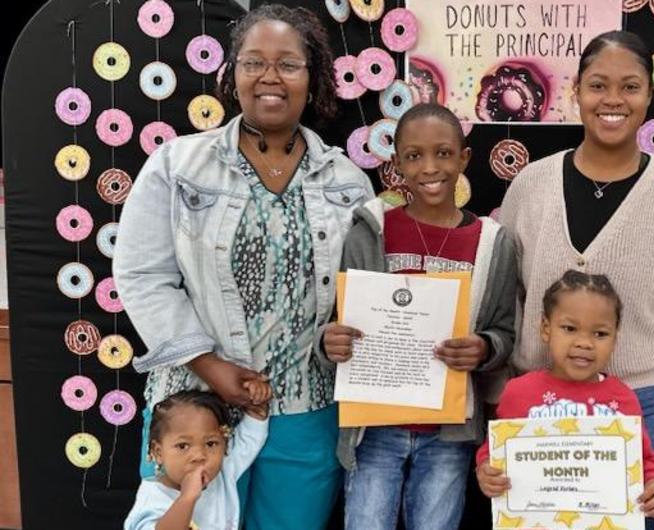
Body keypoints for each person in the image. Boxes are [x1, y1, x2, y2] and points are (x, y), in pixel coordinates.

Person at [113, 5, 374, 529]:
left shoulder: (348, 183)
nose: (270, 77)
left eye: (289, 64)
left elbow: (362, 296)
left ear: (314, 76)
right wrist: (211, 367)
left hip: (306, 407)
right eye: (253, 62)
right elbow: (142, 276)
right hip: (193, 412)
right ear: (231, 74)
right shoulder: (177, 165)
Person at [498, 31, 654, 526]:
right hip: (539, 403)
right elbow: (508, 298)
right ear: (576, 93)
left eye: (630, 87)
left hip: (646, 408)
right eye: (597, 85)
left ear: (650, 95)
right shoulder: (531, 186)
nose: (612, 100)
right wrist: (501, 395)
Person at [321, 103, 517, 530]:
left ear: (464, 158)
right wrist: (328, 342)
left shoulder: (492, 243)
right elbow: (337, 323)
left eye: (444, 153)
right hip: (374, 429)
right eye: (414, 156)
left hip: (448, 432)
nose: (430, 167)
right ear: (396, 165)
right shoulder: (368, 232)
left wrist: (484, 348)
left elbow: (505, 331)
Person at [476, 270, 654, 520]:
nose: (584, 343)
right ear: (546, 329)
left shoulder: (622, 398)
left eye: (600, 334)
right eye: (569, 328)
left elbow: (643, 459)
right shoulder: (519, 392)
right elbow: (494, 451)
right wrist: (486, 470)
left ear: (615, 338)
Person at [124, 388, 270, 530]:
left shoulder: (223, 473)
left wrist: (257, 405)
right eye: (183, 446)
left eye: (211, 444)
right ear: (158, 452)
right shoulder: (153, 497)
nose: (199, 456)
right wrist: (186, 499)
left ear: (224, 446)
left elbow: (248, 441)